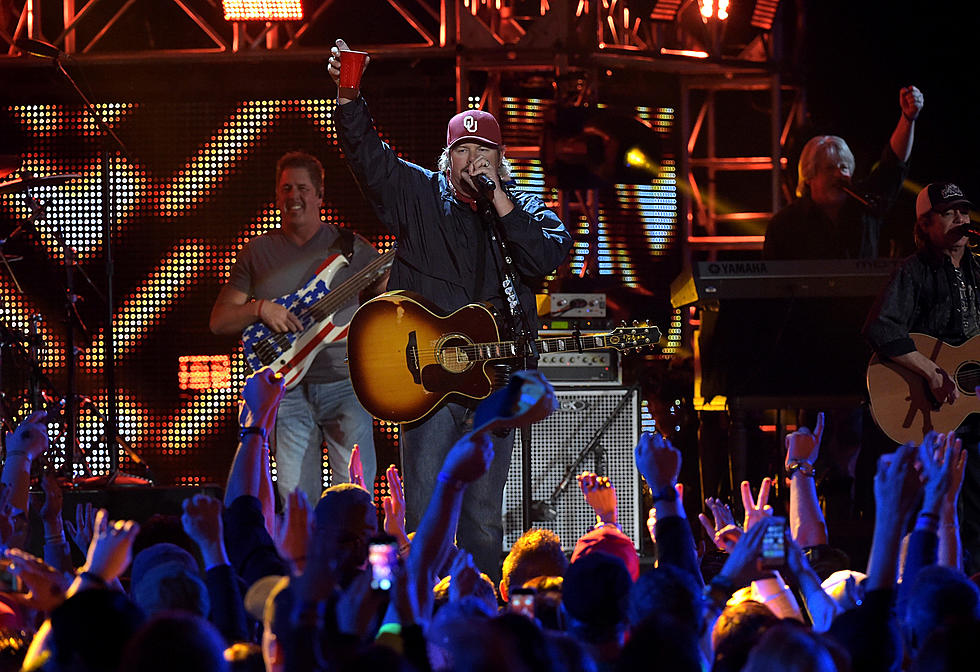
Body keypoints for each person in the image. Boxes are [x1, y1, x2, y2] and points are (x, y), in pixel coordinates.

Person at [327, 38, 573, 583]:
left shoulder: (521, 209)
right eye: (462, 150)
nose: (472, 159)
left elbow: (548, 257)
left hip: (494, 385)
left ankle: (482, 617)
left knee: (483, 521)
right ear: (447, 158)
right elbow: (368, 159)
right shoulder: (417, 194)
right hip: (427, 384)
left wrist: (501, 199)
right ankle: (422, 617)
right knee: (427, 515)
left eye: (483, 150)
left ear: (500, 160)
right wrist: (348, 95)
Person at [209, 151, 380, 506]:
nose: (293, 196)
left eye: (302, 188)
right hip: (285, 391)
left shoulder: (349, 247)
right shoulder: (257, 252)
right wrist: (259, 308)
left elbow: (386, 295)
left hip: (345, 385)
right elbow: (220, 320)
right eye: (286, 188)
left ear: (319, 195)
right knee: (296, 500)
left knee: (355, 495)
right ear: (277, 194)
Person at [864, 181, 980, 571]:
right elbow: (881, 328)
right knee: (952, 503)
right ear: (925, 224)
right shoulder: (913, 272)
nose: (961, 219)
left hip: (973, 407)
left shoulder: (979, 270)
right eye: (949, 213)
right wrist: (931, 371)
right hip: (937, 413)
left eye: (963, 211)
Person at [764, 85, 924, 260]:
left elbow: (893, 165)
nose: (839, 175)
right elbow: (772, 281)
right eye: (830, 168)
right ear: (809, 177)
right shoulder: (785, 224)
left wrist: (908, 118)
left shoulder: (865, 205)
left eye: (844, 167)